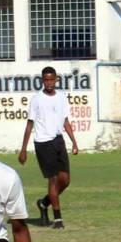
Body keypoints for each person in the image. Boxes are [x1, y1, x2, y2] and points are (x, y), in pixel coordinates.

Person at [18, 67, 79, 229]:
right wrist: (23, 149)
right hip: (43, 143)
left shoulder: (62, 97)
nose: (49, 83)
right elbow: (29, 124)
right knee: (52, 179)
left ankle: (44, 203)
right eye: (46, 80)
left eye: (52, 79)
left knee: (65, 181)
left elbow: (65, 121)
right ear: (42, 80)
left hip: (58, 141)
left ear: (56, 79)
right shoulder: (37, 99)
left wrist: (74, 141)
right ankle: (58, 219)